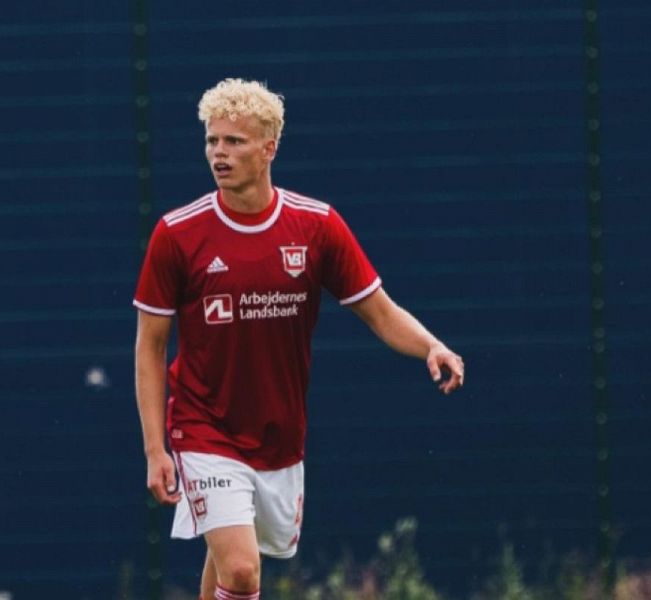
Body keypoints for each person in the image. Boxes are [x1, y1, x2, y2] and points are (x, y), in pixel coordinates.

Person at [133, 78, 464, 600]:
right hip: (203, 427)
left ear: (269, 148)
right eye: (212, 140)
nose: (219, 153)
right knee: (242, 570)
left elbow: (379, 312)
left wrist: (432, 346)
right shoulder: (177, 233)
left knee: (229, 562)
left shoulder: (316, 226)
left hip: (279, 436)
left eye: (234, 141)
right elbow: (150, 347)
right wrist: (156, 448)